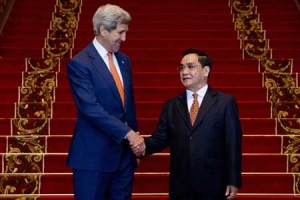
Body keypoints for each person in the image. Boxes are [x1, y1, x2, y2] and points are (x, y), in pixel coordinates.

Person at [134, 49, 242, 200]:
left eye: (191, 67)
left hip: (214, 184)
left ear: (206, 71)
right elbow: (160, 139)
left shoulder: (224, 103)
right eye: (181, 67)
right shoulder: (171, 106)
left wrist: (233, 180)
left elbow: (233, 144)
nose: (184, 71)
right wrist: (139, 145)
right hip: (181, 186)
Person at [66, 4, 144, 200]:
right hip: (93, 158)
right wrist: (129, 134)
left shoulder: (124, 61)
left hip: (124, 158)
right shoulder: (80, 63)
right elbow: (90, 108)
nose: (124, 39)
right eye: (120, 32)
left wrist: (135, 142)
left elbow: (127, 106)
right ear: (102, 29)